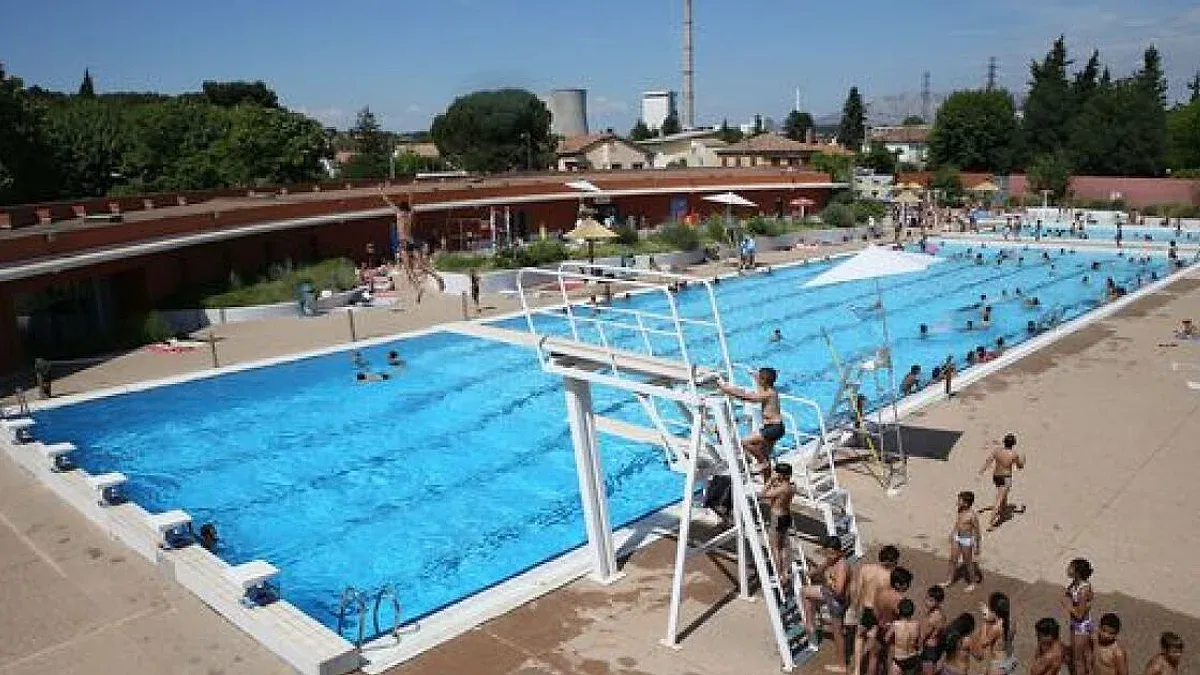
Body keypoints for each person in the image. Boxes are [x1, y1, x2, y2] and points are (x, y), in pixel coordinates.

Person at [718, 367, 784, 481]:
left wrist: (727, 389)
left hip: (774, 428)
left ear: (763, 380)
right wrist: (754, 375)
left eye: (759, 378)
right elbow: (761, 382)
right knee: (764, 455)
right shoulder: (769, 389)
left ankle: (764, 462)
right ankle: (767, 483)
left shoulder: (768, 394)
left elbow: (748, 397)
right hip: (774, 427)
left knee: (745, 442)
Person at [802, 535, 851, 672]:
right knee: (805, 592)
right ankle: (810, 624)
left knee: (838, 634)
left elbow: (839, 591)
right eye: (827, 553)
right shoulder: (830, 560)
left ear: (839, 552)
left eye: (832, 553)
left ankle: (842, 665)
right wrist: (811, 573)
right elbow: (819, 569)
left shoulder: (842, 566)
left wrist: (829, 582)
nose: (830, 556)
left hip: (838, 602)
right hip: (829, 594)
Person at [978, 434, 1025, 530]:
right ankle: (991, 522)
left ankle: (1002, 511)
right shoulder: (1014, 454)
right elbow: (1020, 466)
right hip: (1006, 477)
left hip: (996, 476)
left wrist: (982, 470)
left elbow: (989, 461)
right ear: (1014, 443)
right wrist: (1023, 460)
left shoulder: (997, 451)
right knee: (999, 499)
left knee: (1003, 495)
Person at [763, 463, 797, 588]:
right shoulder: (793, 487)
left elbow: (763, 494)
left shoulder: (781, 489)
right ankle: (785, 572)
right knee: (783, 546)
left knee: (775, 547)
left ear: (781, 475)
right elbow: (782, 492)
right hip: (787, 516)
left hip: (777, 517)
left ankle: (779, 575)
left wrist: (770, 481)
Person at [945, 491, 983, 591]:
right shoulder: (960, 510)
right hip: (957, 536)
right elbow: (958, 523)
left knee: (968, 562)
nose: (958, 502)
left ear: (966, 503)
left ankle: (972, 582)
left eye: (960, 500)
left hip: (966, 540)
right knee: (952, 559)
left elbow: (977, 531)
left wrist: (977, 546)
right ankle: (949, 580)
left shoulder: (972, 516)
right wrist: (953, 533)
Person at [1064, 558, 1096, 675]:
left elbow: (1079, 614)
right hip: (1080, 625)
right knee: (1086, 654)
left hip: (1080, 627)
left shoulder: (1082, 591)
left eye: (1070, 567)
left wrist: (1068, 606)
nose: (1068, 569)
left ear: (1077, 573)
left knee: (1078, 660)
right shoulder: (1078, 584)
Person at [974, 592, 1016, 675]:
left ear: (993, 610)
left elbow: (983, 643)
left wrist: (985, 623)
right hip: (1008, 658)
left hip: (998, 664)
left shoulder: (996, 628)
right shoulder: (1012, 621)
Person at [889, 598, 922, 675]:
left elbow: (886, 638)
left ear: (899, 611)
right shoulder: (916, 624)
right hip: (912, 657)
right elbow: (919, 642)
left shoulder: (895, 624)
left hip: (899, 658)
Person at [919, 586, 947, 675]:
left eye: (931, 600)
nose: (927, 602)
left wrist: (918, 647)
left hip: (929, 648)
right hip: (936, 646)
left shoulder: (932, 618)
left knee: (926, 671)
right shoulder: (941, 614)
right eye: (926, 598)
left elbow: (924, 635)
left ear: (938, 602)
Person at [853, 608, 882, 675]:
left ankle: (857, 670)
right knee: (872, 652)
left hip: (865, 613)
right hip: (874, 614)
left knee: (859, 639)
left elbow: (858, 604)